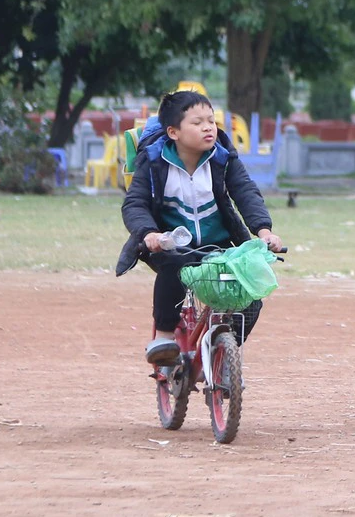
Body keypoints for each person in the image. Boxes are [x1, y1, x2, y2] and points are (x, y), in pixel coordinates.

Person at [114, 89, 284, 367]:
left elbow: (246, 193)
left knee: (251, 293)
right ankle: (165, 338)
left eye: (211, 120)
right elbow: (134, 204)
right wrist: (149, 235)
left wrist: (264, 230)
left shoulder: (222, 158)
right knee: (173, 268)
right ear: (173, 132)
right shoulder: (155, 162)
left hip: (220, 245)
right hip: (171, 244)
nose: (208, 127)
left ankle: (221, 354)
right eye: (197, 122)